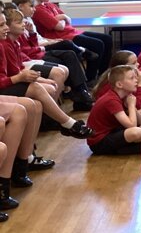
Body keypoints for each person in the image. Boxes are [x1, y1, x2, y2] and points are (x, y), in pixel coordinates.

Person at [0, 12, 94, 140]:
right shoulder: (5, 44)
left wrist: (37, 78)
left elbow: (16, 68)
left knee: (60, 69)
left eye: (5, 24)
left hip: (26, 64)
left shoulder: (9, 43)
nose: (6, 27)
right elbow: (16, 69)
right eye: (2, 25)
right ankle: (67, 122)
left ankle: (62, 113)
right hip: (29, 61)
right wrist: (21, 77)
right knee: (44, 83)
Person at [29, 0, 112, 80]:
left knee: (107, 39)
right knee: (98, 44)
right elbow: (59, 27)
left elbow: (68, 19)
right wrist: (62, 18)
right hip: (63, 36)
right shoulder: (38, 10)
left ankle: (103, 74)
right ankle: (91, 78)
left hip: (72, 32)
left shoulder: (51, 5)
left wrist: (62, 17)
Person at [85, 65, 141, 155]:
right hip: (99, 142)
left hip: (113, 131)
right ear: (119, 84)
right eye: (132, 78)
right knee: (137, 132)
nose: (136, 80)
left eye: (136, 77)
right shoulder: (111, 100)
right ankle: (128, 148)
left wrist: (132, 108)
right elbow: (132, 126)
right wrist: (131, 106)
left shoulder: (123, 96)